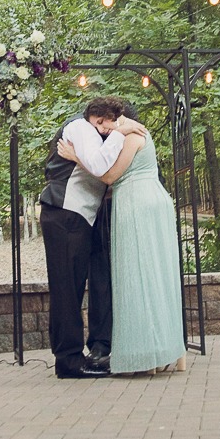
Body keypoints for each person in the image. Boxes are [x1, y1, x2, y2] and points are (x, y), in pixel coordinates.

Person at [58, 104, 186, 375]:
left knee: (139, 278)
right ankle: (168, 349)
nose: (104, 128)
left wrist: (75, 156)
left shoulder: (132, 136)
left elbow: (109, 176)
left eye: (108, 122)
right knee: (158, 276)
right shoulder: (137, 135)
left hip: (138, 206)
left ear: (121, 119)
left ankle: (148, 352)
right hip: (145, 202)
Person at [39, 96, 146, 379]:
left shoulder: (90, 132)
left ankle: (72, 357)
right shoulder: (79, 128)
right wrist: (121, 133)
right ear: (99, 119)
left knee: (71, 289)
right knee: (66, 291)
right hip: (64, 214)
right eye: (113, 124)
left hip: (75, 217)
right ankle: (69, 362)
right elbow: (99, 167)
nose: (114, 129)